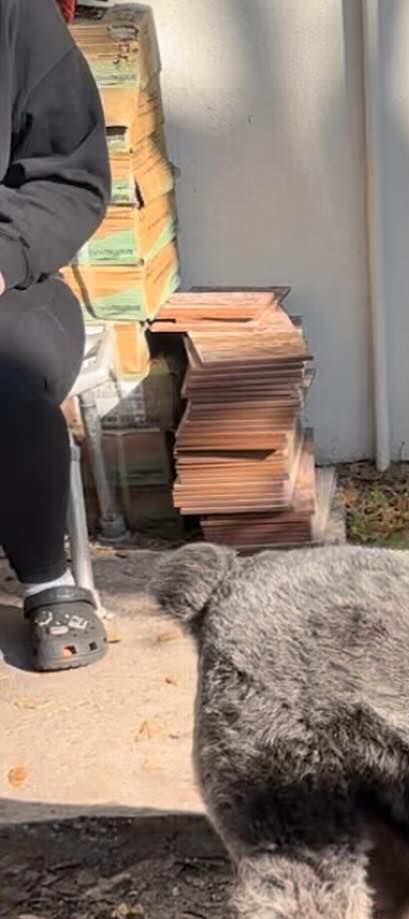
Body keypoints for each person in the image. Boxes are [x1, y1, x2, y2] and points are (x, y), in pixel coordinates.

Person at [1, 0, 110, 670]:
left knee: (5, 376)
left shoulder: (15, 15)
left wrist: (3, 254)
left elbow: (68, 178)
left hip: (13, 286)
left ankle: (45, 576)